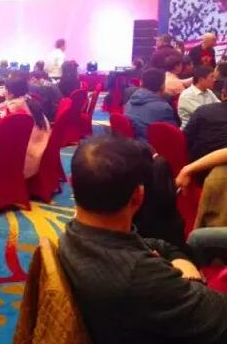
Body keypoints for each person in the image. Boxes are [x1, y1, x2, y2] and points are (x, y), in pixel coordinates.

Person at [59, 136, 227, 344]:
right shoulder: (140, 276)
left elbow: (158, 245)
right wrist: (193, 280)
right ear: (138, 196)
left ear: (72, 183)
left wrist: (179, 261)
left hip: (127, 316)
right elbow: (219, 316)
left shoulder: (73, 233)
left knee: (197, 240)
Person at [0, 78, 51, 178]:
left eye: (5, 88)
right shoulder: (27, 99)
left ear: (11, 92)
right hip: (42, 148)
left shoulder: (15, 105)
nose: (4, 91)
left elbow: (0, 121)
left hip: (27, 156)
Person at [124, 68, 176, 141]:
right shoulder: (163, 108)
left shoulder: (130, 101)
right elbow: (172, 136)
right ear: (163, 86)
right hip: (149, 146)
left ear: (141, 83)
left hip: (131, 144)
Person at [184, 81, 227, 162]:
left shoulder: (203, 110)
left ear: (223, 94)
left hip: (199, 162)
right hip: (202, 164)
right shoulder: (188, 96)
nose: (214, 80)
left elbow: (187, 138)